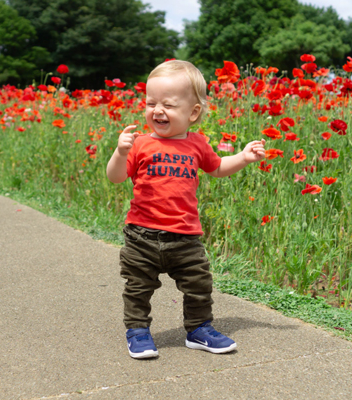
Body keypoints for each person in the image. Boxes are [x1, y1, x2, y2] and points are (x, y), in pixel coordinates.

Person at [106, 60, 265, 359]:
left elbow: (217, 168)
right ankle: (138, 331)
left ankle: (198, 329)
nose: (157, 110)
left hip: (186, 236)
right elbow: (115, 177)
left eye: (168, 104)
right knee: (138, 287)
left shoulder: (197, 144)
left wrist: (243, 157)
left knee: (199, 284)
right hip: (142, 236)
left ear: (193, 113)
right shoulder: (140, 144)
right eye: (151, 102)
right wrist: (120, 152)